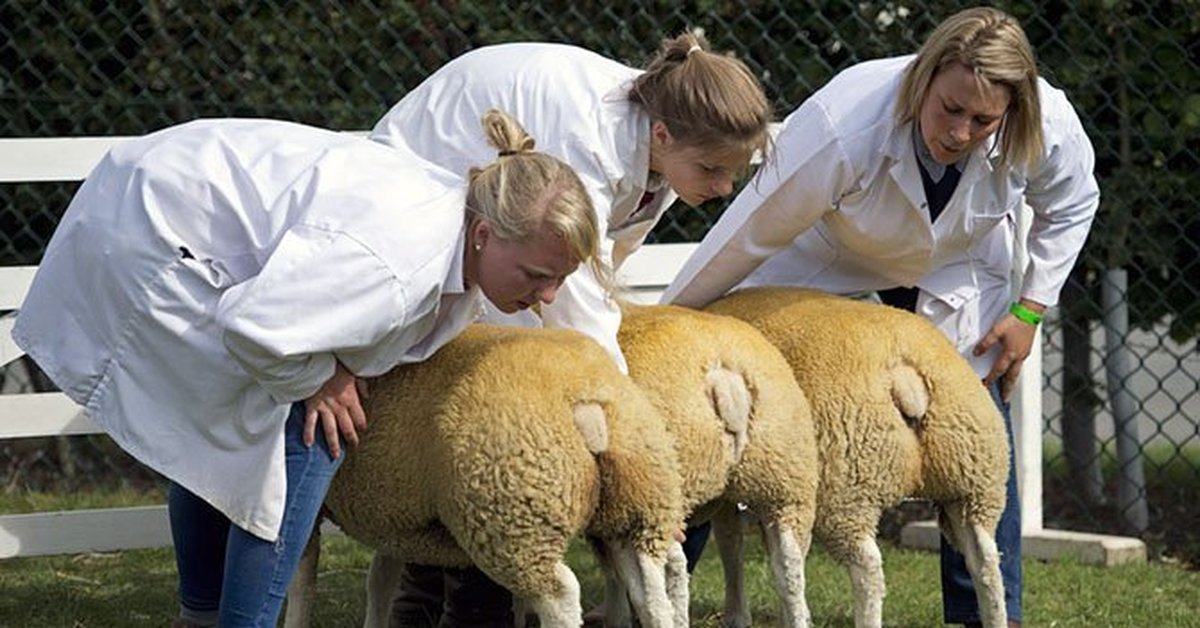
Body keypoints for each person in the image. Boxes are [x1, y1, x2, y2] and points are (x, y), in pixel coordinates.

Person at [10, 110, 601, 628]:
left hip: (161, 192)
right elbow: (255, 326)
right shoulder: (398, 263)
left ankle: (202, 615)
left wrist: (329, 369)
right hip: (153, 229)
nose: (547, 296)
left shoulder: (454, 223)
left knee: (229, 434)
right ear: (483, 233)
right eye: (535, 275)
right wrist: (322, 377)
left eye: (559, 280)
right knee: (310, 436)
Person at [662, 7, 1099, 628]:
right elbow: (744, 237)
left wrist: (1030, 309)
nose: (961, 131)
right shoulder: (845, 124)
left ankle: (984, 617)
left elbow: (1074, 201)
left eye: (983, 120)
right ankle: (656, 585)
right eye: (950, 108)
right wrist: (666, 332)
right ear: (924, 79)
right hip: (824, 249)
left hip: (958, 263)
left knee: (974, 422)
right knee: (720, 380)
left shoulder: (1043, 119)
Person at [369, 32, 774, 626]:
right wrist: (640, 448)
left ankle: (442, 596)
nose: (722, 188)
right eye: (712, 169)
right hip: (424, 199)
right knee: (493, 428)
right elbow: (578, 304)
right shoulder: (587, 142)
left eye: (733, 172)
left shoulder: (657, 154)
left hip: (496, 233)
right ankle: (448, 600)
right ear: (663, 135)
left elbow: (604, 256)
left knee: (505, 416)